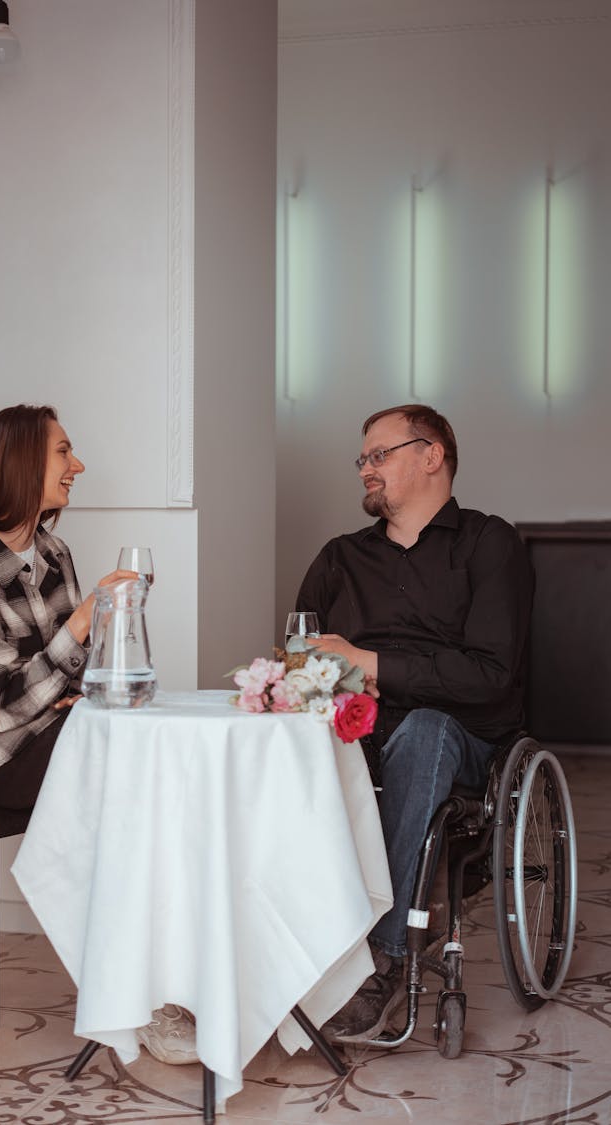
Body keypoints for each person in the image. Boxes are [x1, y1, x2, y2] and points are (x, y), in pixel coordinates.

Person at [0, 403, 197, 1065]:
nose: (77, 465)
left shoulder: (54, 553)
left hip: (46, 730)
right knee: (119, 781)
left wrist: (108, 640)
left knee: (144, 766)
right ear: (22, 462)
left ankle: (162, 977)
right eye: (64, 452)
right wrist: (84, 624)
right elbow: (2, 704)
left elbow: (76, 675)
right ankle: (139, 998)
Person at [295, 404, 533, 1042]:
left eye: (380, 455)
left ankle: (388, 956)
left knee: (425, 729)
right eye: (363, 459)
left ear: (432, 456)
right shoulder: (339, 559)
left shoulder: (489, 544)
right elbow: (303, 663)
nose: (365, 470)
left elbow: (488, 677)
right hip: (356, 734)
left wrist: (370, 662)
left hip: (461, 739)